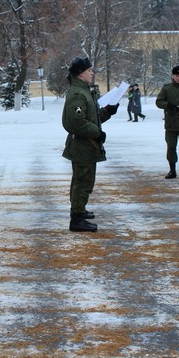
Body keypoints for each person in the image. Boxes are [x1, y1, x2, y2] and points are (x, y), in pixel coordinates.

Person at [61, 57, 118, 232]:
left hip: (86, 145)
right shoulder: (78, 94)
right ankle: (76, 219)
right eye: (89, 70)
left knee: (83, 180)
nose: (92, 73)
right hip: (82, 145)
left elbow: (91, 117)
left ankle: (79, 211)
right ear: (80, 74)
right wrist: (98, 133)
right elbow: (78, 123)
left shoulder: (84, 91)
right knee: (82, 181)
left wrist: (107, 112)